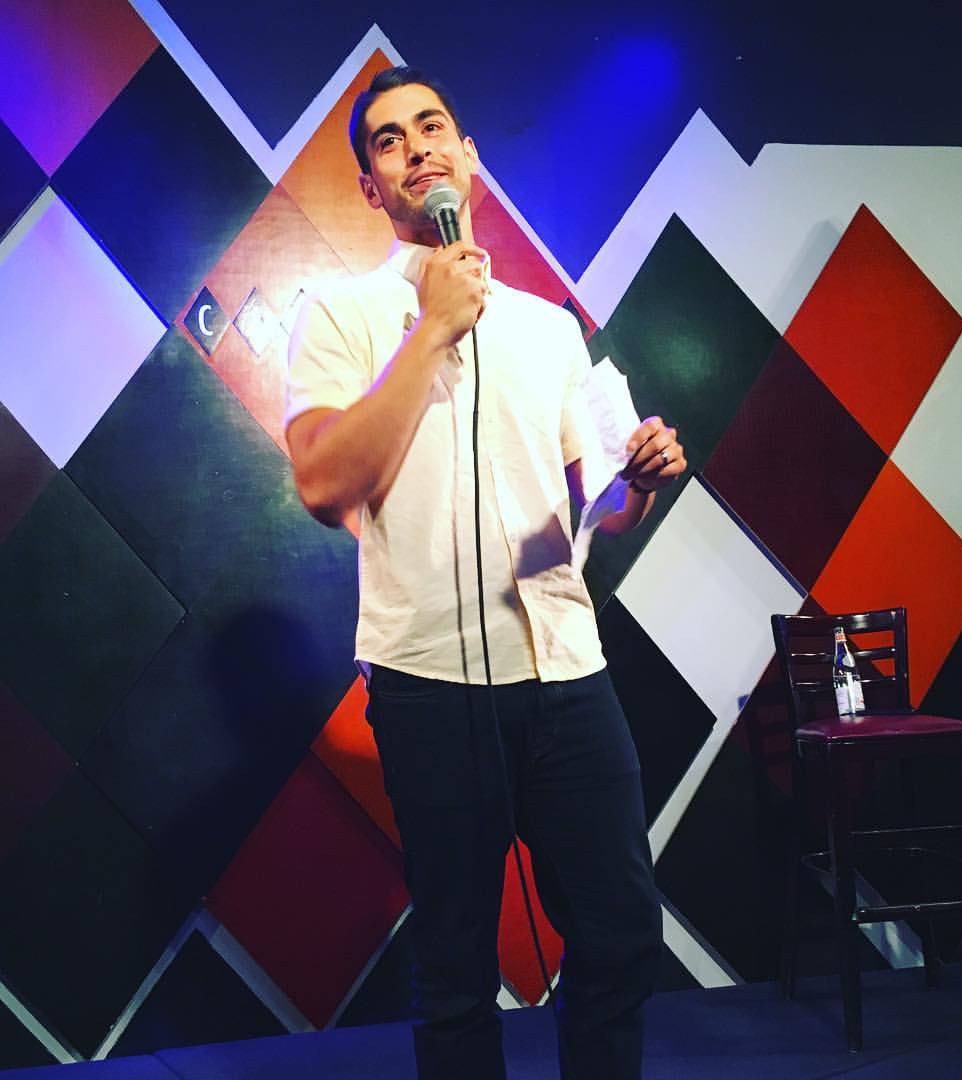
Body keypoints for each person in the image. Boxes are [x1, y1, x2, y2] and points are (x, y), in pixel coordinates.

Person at [285, 65, 686, 1080]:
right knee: (457, 966)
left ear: (468, 155)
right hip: (430, 682)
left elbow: (602, 508)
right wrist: (432, 329)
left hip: (566, 670)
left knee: (622, 934)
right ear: (371, 187)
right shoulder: (341, 318)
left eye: (433, 128)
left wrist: (638, 481)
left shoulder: (549, 328)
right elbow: (323, 485)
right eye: (389, 140)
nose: (417, 148)